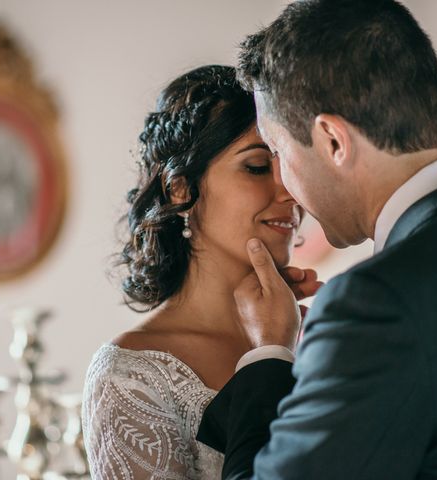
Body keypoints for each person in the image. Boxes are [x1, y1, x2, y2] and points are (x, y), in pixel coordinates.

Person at [196, 1, 437, 479]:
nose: (284, 187)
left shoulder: (375, 307)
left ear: (332, 140)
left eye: (277, 152)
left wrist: (270, 353)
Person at [81, 65, 320, 479]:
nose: (289, 192)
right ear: (181, 189)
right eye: (258, 167)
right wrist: (270, 357)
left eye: (289, 167)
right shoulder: (129, 376)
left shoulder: (319, 346)